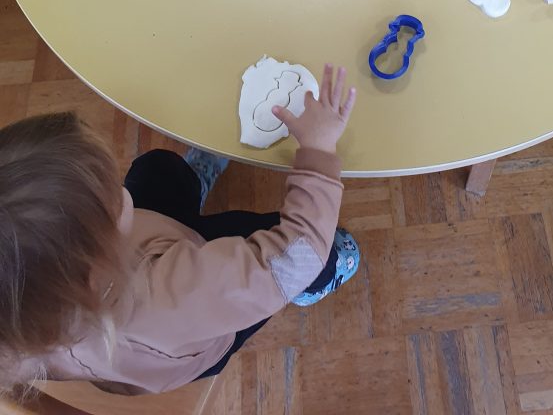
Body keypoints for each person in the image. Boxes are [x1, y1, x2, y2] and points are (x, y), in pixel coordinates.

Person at [0, 65, 358, 396]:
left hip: (146, 256)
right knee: (309, 252)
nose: (120, 187)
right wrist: (318, 150)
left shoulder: (20, 313)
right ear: (94, 264)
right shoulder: (178, 298)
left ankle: (189, 187)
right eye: (112, 193)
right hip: (201, 329)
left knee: (157, 167)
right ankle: (320, 278)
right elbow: (295, 258)